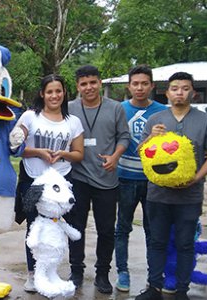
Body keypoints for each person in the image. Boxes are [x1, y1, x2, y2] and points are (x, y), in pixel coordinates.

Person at [135, 72, 207, 300]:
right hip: (158, 195)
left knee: (185, 244)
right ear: (167, 92)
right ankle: (154, 287)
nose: (180, 93)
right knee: (157, 242)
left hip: (190, 196)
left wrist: (196, 177)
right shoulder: (156, 120)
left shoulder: (206, 121)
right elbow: (141, 153)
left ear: (193, 92)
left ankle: (181, 291)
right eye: (175, 88)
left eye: (185, 88)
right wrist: (149, 138)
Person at [13, 74, 84, 292]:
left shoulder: (73, 122)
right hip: (33, 182)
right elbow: (16, 147)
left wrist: (64, 154)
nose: (55, 95)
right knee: (34, 229)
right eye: (50, 91)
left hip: (62, 183)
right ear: (42, 94)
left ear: (64, 93)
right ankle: (33, 273)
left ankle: (55, 271)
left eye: (59, 91)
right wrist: (38, 152)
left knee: (63, 227)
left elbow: (79, 154)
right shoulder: (29, 117)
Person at [65, 65, 129, 294]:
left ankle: (102, 273)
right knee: (75, 227)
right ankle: (76, 271)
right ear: (77, 86)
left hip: (107, 179)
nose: (89, 87)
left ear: (100, 83)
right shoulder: (70, 108)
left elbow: (124, 136)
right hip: (77, 178)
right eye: (83, 84)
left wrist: (115, 156)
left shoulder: (115, 108)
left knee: (106, 230)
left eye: (93, 82)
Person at [114, 65, 167, 292]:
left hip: (152, 180)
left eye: (144, 83)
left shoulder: (162, 111)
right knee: (122, 227)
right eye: (135, 83)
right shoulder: (119, 110)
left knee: (153, 229)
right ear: (129, 86)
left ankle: (153, 274)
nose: (139, 88)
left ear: (152, 86)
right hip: (124, 177)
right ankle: (122, 272)